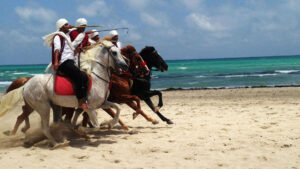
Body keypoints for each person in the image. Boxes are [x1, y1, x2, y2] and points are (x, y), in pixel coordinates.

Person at [52, 18, 89, 109]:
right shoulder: (57, 36)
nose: (68, 26)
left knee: (85, 76)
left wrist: (76, 50)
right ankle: (81, 101)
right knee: (78, 75)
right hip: (63, 62)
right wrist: (56, 62)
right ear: (60, 27)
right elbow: (57, 50)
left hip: (70, 60)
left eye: (68, 24)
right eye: (66, 25)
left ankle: (83, 97)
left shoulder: (66, 36)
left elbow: (69, 49)